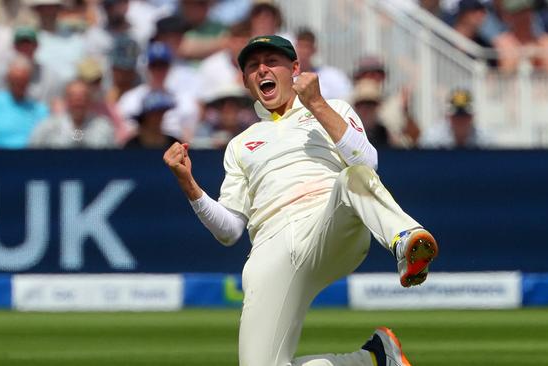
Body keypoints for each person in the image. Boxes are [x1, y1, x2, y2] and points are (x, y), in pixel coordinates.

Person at [163, 35, 438, 366]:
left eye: (272, 61)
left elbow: (368, 163)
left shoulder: (333, 107)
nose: (262, 69)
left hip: (330, 221)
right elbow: (230, 230)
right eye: (253, 66)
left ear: (295, 69)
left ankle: (406, 239)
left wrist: (317, 104)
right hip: (271, 246)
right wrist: (188, 183)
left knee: (353, 176)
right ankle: (374, 359)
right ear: (247, 82)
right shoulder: (239, 145)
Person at [30, 79, 115, 148]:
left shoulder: (104, 127)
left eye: (82, 98)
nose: (78, 103)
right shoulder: (48, 127)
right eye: (74, 98)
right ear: (66, 100)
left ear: (89, 100)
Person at [419, 88, 491, 149]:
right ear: (448, 117)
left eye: (465, 115)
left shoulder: (484, 139)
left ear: (472, 117)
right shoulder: (433, 137)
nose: (460, 120)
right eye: (456, 115)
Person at [295, 27, 352, 100]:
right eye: (300, 46)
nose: (303, 51)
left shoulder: (331, 75)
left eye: (307, 47)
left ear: (314, 50)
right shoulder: (288, 77)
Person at [350, 79, 391, 148]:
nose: (366, 109)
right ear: (356, 107)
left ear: (377, 107)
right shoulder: (348, 132)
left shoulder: (384, 133)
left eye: (370, 104)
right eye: (362, 104)